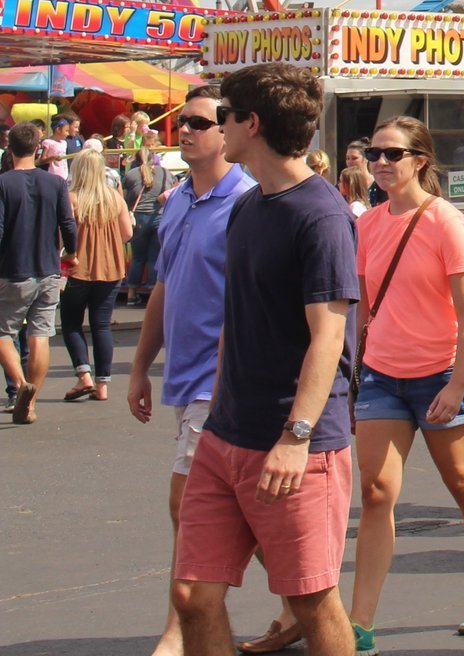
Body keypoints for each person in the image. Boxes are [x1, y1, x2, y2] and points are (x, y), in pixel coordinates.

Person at [168, 62, 358, 656]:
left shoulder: (320, 215)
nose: (216, 124)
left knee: (311, 600)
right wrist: (216, 410)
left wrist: (297, 435)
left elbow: (328, 336)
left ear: (249, 123)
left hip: (295, 442)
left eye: (221, 115)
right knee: (194, 596)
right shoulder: (250, 207)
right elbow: (237, 320)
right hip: (226, 433)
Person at [350, 116, 464, 649]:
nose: (380, 162)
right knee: (376, 492)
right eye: (374, 153)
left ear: (420, 160)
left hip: (442, 373)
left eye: (392, 154)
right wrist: (353, 369)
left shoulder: (445, 220)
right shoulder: (367, 225)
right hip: (381, 373)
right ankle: (360, 624)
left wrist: (456, 383)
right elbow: (361, 309)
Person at [126, 86, 271, 656]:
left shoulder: (248, 201)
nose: (184, 130)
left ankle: (181, 627)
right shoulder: (180, 199)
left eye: (198, 122)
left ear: (230, 130)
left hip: (223, 378)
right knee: (243, 509)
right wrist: (140, 365)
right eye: (182, 121)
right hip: (183, 377)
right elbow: (165, 283)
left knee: (186, 505)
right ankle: (301, 603)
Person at [0, 120, 78, 424]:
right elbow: (67, 224)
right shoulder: (55, 183)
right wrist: (71, 251)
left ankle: (20, 385)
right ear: (38, 148)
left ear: (10, 147)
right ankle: (30, 403)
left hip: (13, 269)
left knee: (4, 331)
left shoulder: (4, 183)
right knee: (40, 334)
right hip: (48, 268)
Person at [57, 148, 132, 402]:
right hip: (111, 269)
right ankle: (102, 386)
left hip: (78, 268)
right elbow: (127, 234)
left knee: (71, 323)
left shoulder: (72, 198)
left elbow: (60, 235)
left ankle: (84, 375)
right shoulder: (114, 198)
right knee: (101, 324)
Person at [123, 131, 170, 305]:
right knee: (153, 257)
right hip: (158, 216)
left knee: (137, 257)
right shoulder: (164, 173)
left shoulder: (131, 174)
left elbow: (126, 198)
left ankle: (131, 293)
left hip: (138, 219)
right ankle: (152, 293)